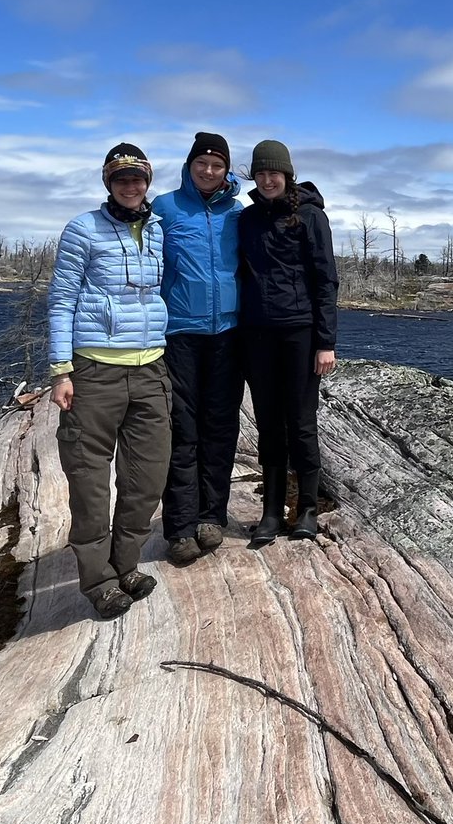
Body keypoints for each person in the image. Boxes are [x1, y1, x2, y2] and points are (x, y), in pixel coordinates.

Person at [47, 143, 171, 619]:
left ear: (147, 181)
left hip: (151, 368)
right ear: (108, 183)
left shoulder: (158, 229)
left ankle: (126, 564)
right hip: (95, 370)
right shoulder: (83, 229)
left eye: (137, 177)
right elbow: (61, 301)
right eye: (121, 178)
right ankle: (97, 578)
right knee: (90, 481)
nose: (130, 185)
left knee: (147, 476)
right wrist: (61, 370)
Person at [238, 139, 338, 547]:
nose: (267, 180)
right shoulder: (246, 220)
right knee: (268, 423)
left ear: (287, 175)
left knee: (300, 421)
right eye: (260, 174)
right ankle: (271, 510)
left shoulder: (310, 217)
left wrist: (325, 342)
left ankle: (307, 508)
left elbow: (326, 280)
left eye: (273, 173)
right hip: (257, 335)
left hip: (300, 333)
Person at [151, 131, 244, 565]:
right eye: (201, 163)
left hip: (228, 333)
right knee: (182, 428)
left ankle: (212, 516)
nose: (209, 171)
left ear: (227, 170)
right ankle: (180, 527)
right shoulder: (166, 208)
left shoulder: (237, 213)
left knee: (221, 428)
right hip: (180, 334)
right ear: (189, 166)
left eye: (217, 165)